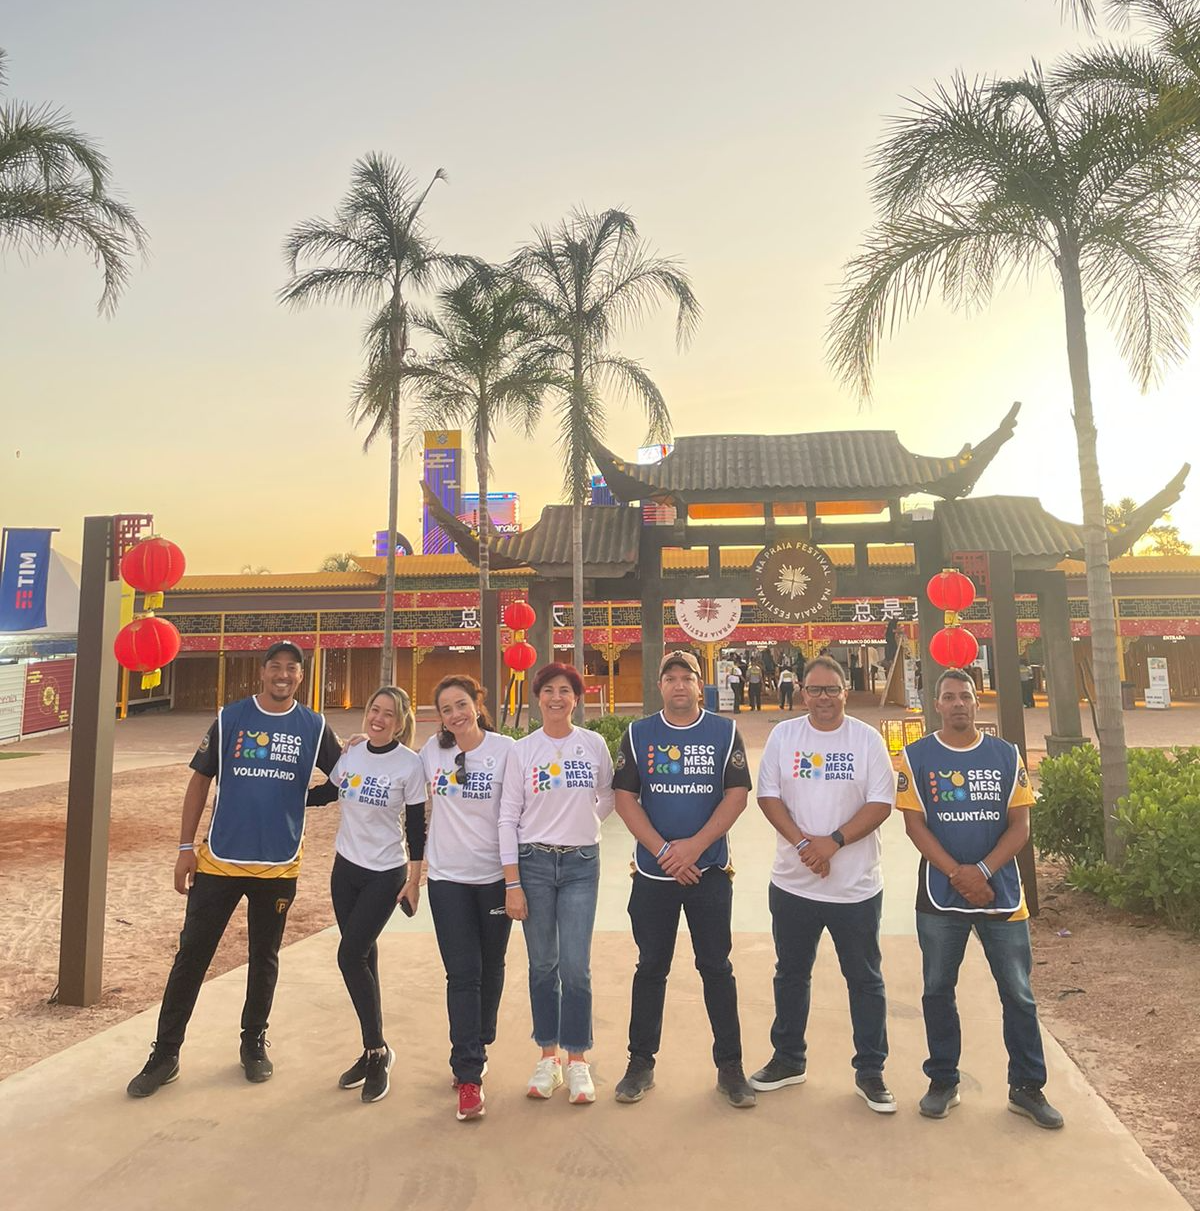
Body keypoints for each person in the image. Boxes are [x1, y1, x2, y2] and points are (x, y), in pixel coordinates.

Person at [126, 641, 341, 1098]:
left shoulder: (315, 726)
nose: (283, 675)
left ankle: (253, 1043)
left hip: (279, 864)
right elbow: (200, 780)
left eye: (292, 668)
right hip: (219, 859)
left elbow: (345, 776)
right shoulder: (231, 719)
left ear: (301, 676)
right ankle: (165, 1054)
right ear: (262, 672)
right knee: (191, 957)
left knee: (264, 958)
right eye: (275, 667)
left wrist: (307, 798)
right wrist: (185, 847)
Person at [897, 668, 1063, 1129]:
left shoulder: (1005, 755)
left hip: (1001, 895)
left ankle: (1027, 1088)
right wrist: (958, 874)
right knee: (937, 990)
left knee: (1018, 994)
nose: (957, 704)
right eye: (949, 697)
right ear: (936, 704)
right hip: (940, 896)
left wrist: (983, 872)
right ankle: (943, 1081)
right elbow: (914, 826)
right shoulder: (916, 757)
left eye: (965, 696)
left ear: (976, 702)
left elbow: (1020, 825)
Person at [749, 655, 898, 1112]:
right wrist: (803, 845)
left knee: (864, 978)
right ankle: (788, 1058)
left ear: (845, 692)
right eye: (815, 690)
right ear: (802, 694)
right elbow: (768, 796)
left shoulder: (866, 739)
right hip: (794, 884)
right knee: (791, 974)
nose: (824, 698)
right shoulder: (784, 736)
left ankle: (870, 1070)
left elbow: (882, 802)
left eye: (832, 689)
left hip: (855, 888)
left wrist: (833, 842)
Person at [611, 651, 756, 1108]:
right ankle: (640, 1063)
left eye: (686, 677)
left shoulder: (724, 732)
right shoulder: (639, 734)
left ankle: (730, 1067)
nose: (678, 685)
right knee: (651, 967)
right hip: (653, 873)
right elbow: (625, 798)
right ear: (660, 686)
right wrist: (664, 852)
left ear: (699, 685)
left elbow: (736, 795)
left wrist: (694, 847)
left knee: (716, 967)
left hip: (708, 870)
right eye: (670, 677)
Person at [499, 663, 615, 1105]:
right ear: (538, 697)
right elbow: (508, 816)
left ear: (576, 698)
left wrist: (587, 824)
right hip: (534, 864)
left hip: (582, 864)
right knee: (543, 964)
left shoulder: (593, 745)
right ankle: (548, 1056)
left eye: (565, 690)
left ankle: (578, 1059)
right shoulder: (522, 751)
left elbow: (607, 794)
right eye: (548, 690)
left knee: (575, 967)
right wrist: (512, 882)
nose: (556, 698)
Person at [309, 687, 425, 1104]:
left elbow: (416, 826)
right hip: (345, 871)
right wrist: (282, 795)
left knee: (349, 956)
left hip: (385, 873)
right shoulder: (353, 753)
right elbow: (328, 793)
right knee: (364, 957)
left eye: (388, 714)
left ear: (400, 721)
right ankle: (374, 1048)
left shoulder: (410, 764)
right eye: (374, 709)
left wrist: (415, 879)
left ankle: (377, 1052)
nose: (378, 718)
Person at [419, 675, 516, 1122]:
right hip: (447, 879)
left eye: (461, 704)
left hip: (495, 877)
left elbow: (519, 811)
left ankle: (480, 1039)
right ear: (440, 718)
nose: (455, 714)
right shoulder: (432, 752)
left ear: (478, 704)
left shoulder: (506, 750)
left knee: (491, 966)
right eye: (446, 709)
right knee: (463, 973)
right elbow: (398, 768)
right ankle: (468, 1072)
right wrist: (361, 743)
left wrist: (516, 880)